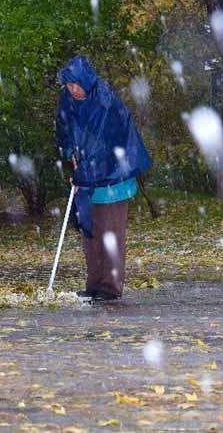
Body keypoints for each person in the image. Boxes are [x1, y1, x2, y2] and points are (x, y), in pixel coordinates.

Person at [55, 55, 152, 301]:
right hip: (88, 177)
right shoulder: (68, 101)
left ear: (86, 82)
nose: (72, 90)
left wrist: (82, 171)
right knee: (90, 230)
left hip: (114, 175)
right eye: (68, 85)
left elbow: (101, 145)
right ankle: (94, 285)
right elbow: (65, 131)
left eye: (76, 84)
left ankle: (109, 288)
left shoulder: (105, 102)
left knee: (110, 232)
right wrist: (70, 155)